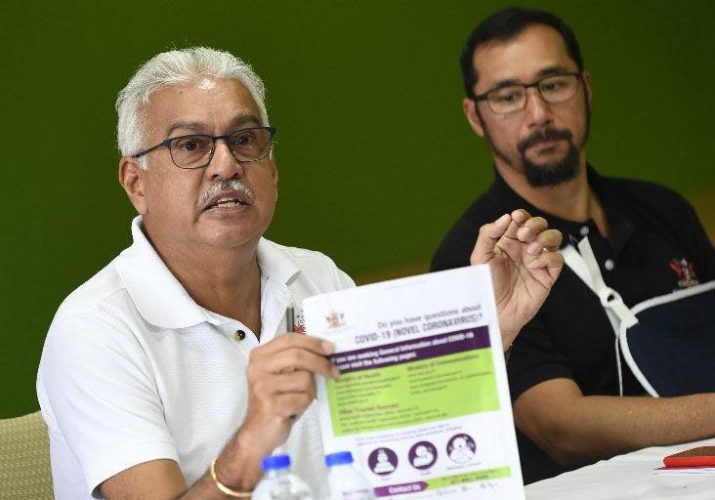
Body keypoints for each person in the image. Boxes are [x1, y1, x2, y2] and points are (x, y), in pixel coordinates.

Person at [36, 47, 563, 499]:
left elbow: (410, 454)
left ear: (272, 167)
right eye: (191, 145)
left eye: (245, 141)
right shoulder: (95, 328)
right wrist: (254, 439)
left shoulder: (316, 276)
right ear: (136, 181)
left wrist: (491, 330)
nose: (226, 166)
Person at [431, 6, 715, 484]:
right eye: (507, 96)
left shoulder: (663, 208)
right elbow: (558, 425)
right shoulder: (479, 254)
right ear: (474, 115)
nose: (538, 114)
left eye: (554, 84)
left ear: (585, 86)